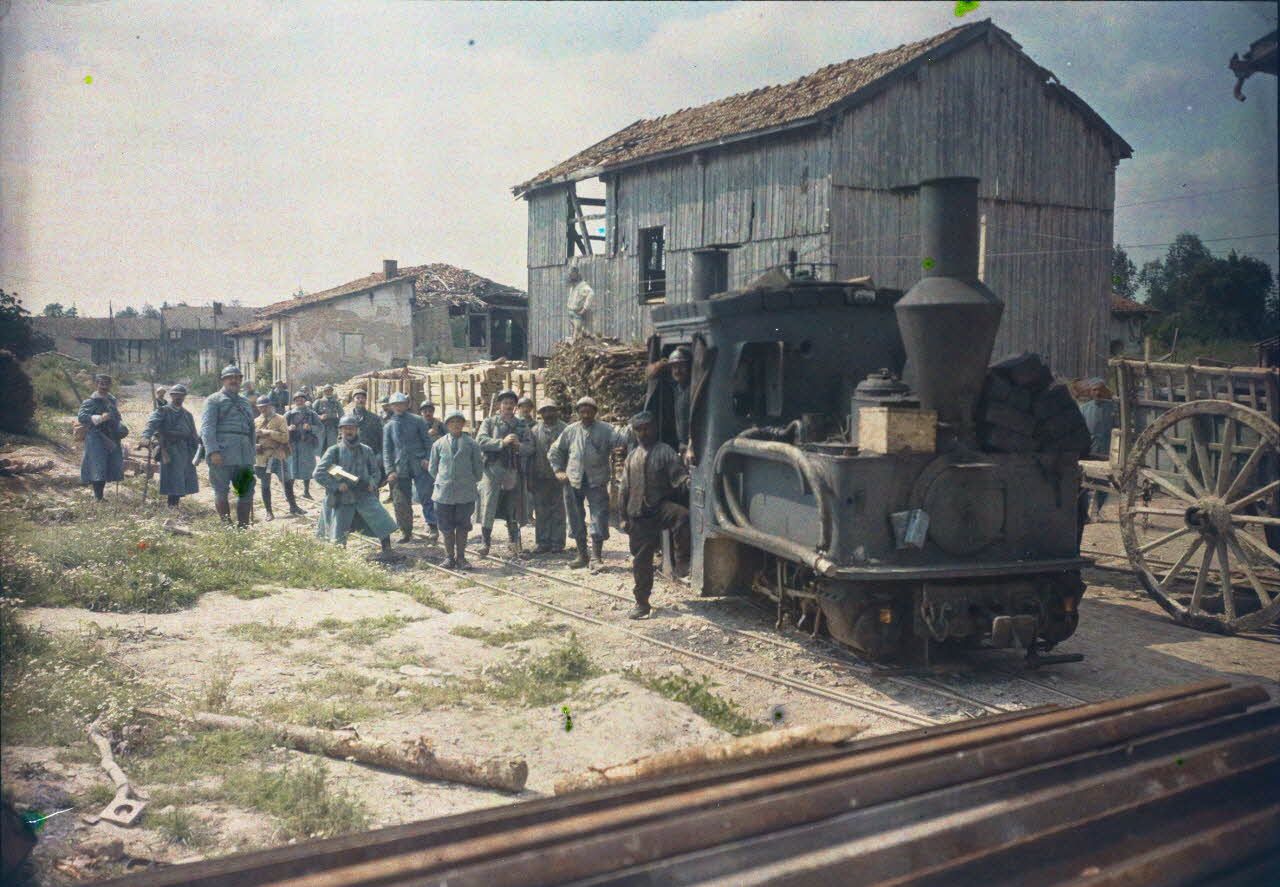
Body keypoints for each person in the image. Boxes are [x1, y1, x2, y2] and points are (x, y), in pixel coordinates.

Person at [619, 411, 691, 619]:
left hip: (659, 508)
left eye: (647, 428)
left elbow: (678, 477)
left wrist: (688, 482)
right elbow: (624, 488)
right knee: (641, 561)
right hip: (638, 514)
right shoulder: (631, 456)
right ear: (634, 432)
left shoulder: (665, 451)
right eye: (639, 429)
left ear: (654, 428)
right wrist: (623, 517)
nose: (643, 432)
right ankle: (642, 603)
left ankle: (681, 562)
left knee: (682, 516)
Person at [549, 396, 630, 571]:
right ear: (578, 412)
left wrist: (630, 428)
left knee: (599, 517)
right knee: (575, 517)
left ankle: (596, 557)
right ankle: (581, 555)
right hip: (572, 480)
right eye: (582, 411)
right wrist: (558, 470)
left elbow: (623, 441)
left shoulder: (607, 430)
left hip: (597, 480)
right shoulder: (570, 431)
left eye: (589, 411)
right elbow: (555, 450)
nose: (585, 414)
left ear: (595, 412)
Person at [314, 414, 398, 550]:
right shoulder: (333, 451)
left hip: (364, 493)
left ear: (357, 430)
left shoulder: (366, 450)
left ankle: (387, 549)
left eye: (352, 428)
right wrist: (336, 485)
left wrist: (372, 482)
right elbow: (318, 473)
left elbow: (375, 472)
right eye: (345, 428)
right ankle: (338, 556)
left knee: (382, 520)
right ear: (340, 431)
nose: (349, 431)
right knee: (338, 532)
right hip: (343, 497)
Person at [476, 389, 534, 557]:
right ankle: (485, 543)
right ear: (499, 405)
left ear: (515, 406)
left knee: (513, 507)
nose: (508, 406)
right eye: (505, 403)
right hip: (492, 470)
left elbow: (530, 448)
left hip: (512, 470)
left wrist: (518, 446)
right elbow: (480, 441)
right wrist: (501, 442)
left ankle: (514, 543)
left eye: (511, 403)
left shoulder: (522, 425)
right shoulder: (490, 422)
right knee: (488, 506)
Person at [201, 365, 257, 527]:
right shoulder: (213, 400)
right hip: (222, 453)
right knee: (221, 491)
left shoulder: (245, 402)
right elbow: (207, 428)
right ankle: (227, 527)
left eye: (237, 377)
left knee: (245, 491)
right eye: (229, 377)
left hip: (244, 454)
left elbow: (251, 429)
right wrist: (213, 451)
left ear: (241, 380)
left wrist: (251, 453)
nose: (234, 380)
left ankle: (243, 527)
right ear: (223, 380)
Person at [429, 409, 484, 569]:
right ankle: (449, 557)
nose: (455, 425)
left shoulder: (472, 444)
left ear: (463, 424)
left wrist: (467, 481)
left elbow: (478, 469)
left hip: (465, 493)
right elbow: (433, 468)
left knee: (463, 526)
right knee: (446, 527)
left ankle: (461, 557)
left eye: (458, 422)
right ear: (446, 425)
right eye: (452, 422)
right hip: (443, 493)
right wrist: (444, 480)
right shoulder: (438, 444)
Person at [383, 391, 433, 542]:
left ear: (407, 405)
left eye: (401, 404)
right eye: (395, 405)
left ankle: (433, 526)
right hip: (400, 468)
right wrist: (390, 470)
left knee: (426, 495)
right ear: (391, 407)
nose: (398, 407)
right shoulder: (389, 426)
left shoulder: (418, 421)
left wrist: (427, 458)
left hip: (419, 464)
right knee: (401, 500)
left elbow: (428, 443)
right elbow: (387, 450)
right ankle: (406, 531)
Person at [141, 383, 199, 508]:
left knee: (182, 477)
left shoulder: (187, 414)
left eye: (181, 395)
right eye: (175, 395)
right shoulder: (163, 410)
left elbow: (193, 433)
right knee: (173, 477)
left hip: (184, 450)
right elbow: (151, 423)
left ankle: (174, 505)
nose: (178, 398)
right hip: (169, 448)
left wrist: (198, 449)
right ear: (171, 396)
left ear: (184, 397)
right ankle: (172, 506)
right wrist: (146, 436)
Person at [77, 373, 128, 501]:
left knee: (108, 464)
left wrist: (118, 426)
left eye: (106, 383)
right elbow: (82, 417)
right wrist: (99, 418)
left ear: (110, 385)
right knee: (97, 465)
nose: (103, 386)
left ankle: (101, 496)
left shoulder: (112, 401)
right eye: (101, 383)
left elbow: (116, 416)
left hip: (111, 437)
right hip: (96, 437)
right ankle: (98, 497)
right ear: (96, 384)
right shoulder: (90, 402)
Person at [529, 400, 567, 554]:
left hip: (560, 477)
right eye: (545, 411)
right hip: (540, 476)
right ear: (540, 414)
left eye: (551, 410)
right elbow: (530, 455)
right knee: (541, 510)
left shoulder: (566, 429)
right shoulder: (534, 431)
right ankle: (543, 542)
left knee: (558, 510)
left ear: (556, 411)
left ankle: (558, 543)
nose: (548, 414)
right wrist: (530, 477)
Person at [1078, 378, 1117, 520]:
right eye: (1094, 390)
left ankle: (1097, 511)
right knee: (1084, 484)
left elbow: (1117, 427)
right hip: (1089, 450)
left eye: (1100, 389)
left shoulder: (1113, 408)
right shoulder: (1084, 408)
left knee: (1104, 483)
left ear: (1105, 391)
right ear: (1090, 392)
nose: (1098, 392)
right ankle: (1084, 514)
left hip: (1106, 450)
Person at [254, 394, 298, 519]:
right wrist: (255, 445)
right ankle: (269, 511)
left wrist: (268, 432)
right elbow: (251, 438)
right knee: (265, 484)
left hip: (278, 454)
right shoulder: (256, 421)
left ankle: (293, 506)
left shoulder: (280, 419)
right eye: (260, 407)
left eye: (265, 407)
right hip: (262, 456)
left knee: (287, 481)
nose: (263, 409)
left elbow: (285, 437)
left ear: (270, 406)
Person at [284, 392, 321, 501]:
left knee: (308, 468)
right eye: (297, 400)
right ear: (294, 401)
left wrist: (311, 428)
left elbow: (320, 427)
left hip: (307, 444)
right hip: (293, 444)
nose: (299, 401)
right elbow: (281, 428)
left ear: (305, 400)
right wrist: (288, 428)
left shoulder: (312, 414)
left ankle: (306, 491)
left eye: (301, 399)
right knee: (292, 468)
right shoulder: (289, 414)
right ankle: (289, 494)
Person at [349, 390, 385, 487]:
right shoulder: (347, 419)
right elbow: (340, 438)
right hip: (352, 457)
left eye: (363, 398)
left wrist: (381, 456)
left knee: (372, 485)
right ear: (353, 400)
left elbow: (381, 439)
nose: (360, 400)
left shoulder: (374, 418)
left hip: (371, 457)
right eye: (358, 398)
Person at [313, 385, 343, 452]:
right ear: (324, 392)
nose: (328, 392)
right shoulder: (318, 402)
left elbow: (341, 414)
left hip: (333, 426)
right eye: (326, 391)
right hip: (321, 426)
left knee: (332, 445)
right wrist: (319, 416)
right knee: (321, 446)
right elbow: (311, 413)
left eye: (330, 390)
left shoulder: (336, 402)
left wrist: (341, 426)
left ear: (332, 391)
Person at [566, 266, 594, 338]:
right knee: (575, 332)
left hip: (577, 313)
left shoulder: (582, 286)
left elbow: (591, 294)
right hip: (571, 312)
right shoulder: (573, 286)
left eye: (572, 274)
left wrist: (585, 308)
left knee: (577, 333)